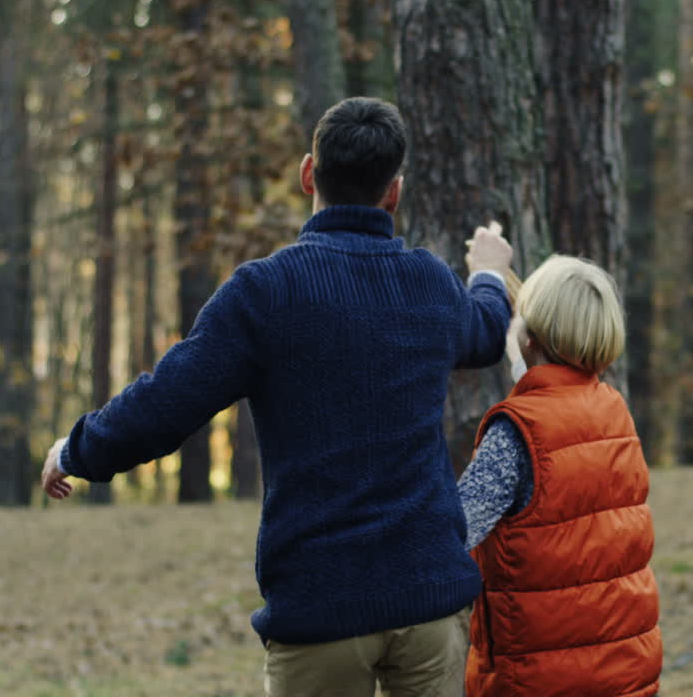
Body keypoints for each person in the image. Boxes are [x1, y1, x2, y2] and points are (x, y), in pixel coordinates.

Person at [40, 97, 514, 697]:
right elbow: (486, 330)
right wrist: (491, 273)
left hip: (321, 609)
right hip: (429, 605)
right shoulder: (429, 282)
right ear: (393, 192)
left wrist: (76, 450)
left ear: (308, 174)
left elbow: (165, 404)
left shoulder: (264, 293)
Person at [457, 255, 663, 697]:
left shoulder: (516, 432)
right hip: (623, 672)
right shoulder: (613, 409)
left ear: (529, 338)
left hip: (536, 679)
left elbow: (452, 532)